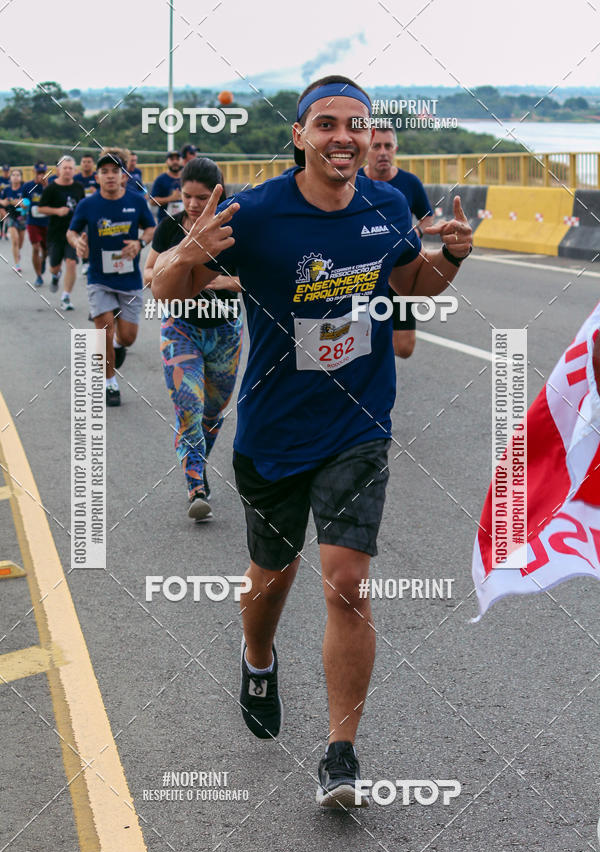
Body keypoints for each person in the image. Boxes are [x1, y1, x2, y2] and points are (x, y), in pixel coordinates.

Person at [151, 74, 473, 809]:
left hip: (358, 420)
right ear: (299, 135)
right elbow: (165, 291)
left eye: (356, 125)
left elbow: (408, 291)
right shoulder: (255, 213)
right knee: (272, 577)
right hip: (273, 427)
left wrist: (450, 257)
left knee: (348, 581)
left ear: (370, 137)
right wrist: (184, 252)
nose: (343, 136)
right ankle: (258, 656)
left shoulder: (387, 204)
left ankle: (341, 754)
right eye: (326, 123)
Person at [144, 158, 243, 521]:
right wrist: (179, 261)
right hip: (180, 329)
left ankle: (196, 465)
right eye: (187, 196)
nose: (194, 204)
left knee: (213, 414)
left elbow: (253, 279)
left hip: (225, 332)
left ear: (218, 195)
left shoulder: (234, 230)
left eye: (202, 197)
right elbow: (149, 272)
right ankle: (195, 486)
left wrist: (218, 281)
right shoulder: (170, 227)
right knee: (189, 407)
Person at [67, 148, 155, 407]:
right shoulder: (88, 204)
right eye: (104, 172)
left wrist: (139, 242)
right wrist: (78, 244)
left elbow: (150, 228)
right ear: (97, 177)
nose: (109, 176)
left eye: (115, 171)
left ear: (123, 175)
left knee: (127, 337)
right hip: (99, 278)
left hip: (129, 280)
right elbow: (72, 232)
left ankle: (118, 344)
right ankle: (109, 384)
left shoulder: (137, 201)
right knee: (104, 329)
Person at [359, 127, 435, 358]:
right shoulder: (353, 180)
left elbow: (427, 217)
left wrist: (416, 234)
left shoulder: (409, 182)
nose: (383, 152)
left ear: (395, 150)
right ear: (366, 149)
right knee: (359, 340)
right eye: (376, 146)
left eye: (388, 146)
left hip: (399, 272)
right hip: (361, 275)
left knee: (404, 348)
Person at [38, 155, 85, 310]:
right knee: (55, 266)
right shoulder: (51, 188)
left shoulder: (78, 187)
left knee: (71, 263)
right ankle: (55, 275)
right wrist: (57, 211)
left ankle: (66, 296)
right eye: (64, 167)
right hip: (55, 233)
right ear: (58, 170)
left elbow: (83, 208)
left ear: (75, 170)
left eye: (70, 168)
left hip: (74, 232)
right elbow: (40, 208)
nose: (67, 171)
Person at [22, 163, 49, 286]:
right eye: (39, 172)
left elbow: (54, 200)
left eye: (43, 172)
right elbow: (24, 202)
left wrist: (46, 187)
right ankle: (38, 276)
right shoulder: (27, 186)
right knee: (35, 247)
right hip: (33, 222)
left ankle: (43, 260)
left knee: (45, 249)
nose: (41, 175)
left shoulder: (50, 186)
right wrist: (23, 205)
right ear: (34, 172)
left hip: (47, 221)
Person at [0, 168, 27, 271]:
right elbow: (2, 201)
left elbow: (26, 203)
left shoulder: (24, 189)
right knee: (14, 240)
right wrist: (5, 202)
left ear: (21, 177)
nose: (15, 177)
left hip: (22, 217)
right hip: (11, 216)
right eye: (13, 175)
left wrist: (22, 203)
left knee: (20, 242)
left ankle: (17, 253)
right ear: (10, 178)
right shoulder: (6, 190)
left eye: (17, 175)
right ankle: (17, 264)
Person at [149, 151, 183, 222]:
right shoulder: (160, 179)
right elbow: (152, 201)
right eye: (172, 159)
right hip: (165, 222)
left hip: (184, 223)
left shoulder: (187, 178)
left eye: (177, 159)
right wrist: (171, 198)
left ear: (182, 161)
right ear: (167, 162)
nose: (175, 162)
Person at [0, 164, 11, 240]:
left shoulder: (11, 179)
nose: (6, 173)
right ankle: (1, 233)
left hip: (9, 201)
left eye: (7, 171)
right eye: (4, 171)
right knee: (2, 215)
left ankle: (5, 233)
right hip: (1, 200)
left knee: (6, 217)